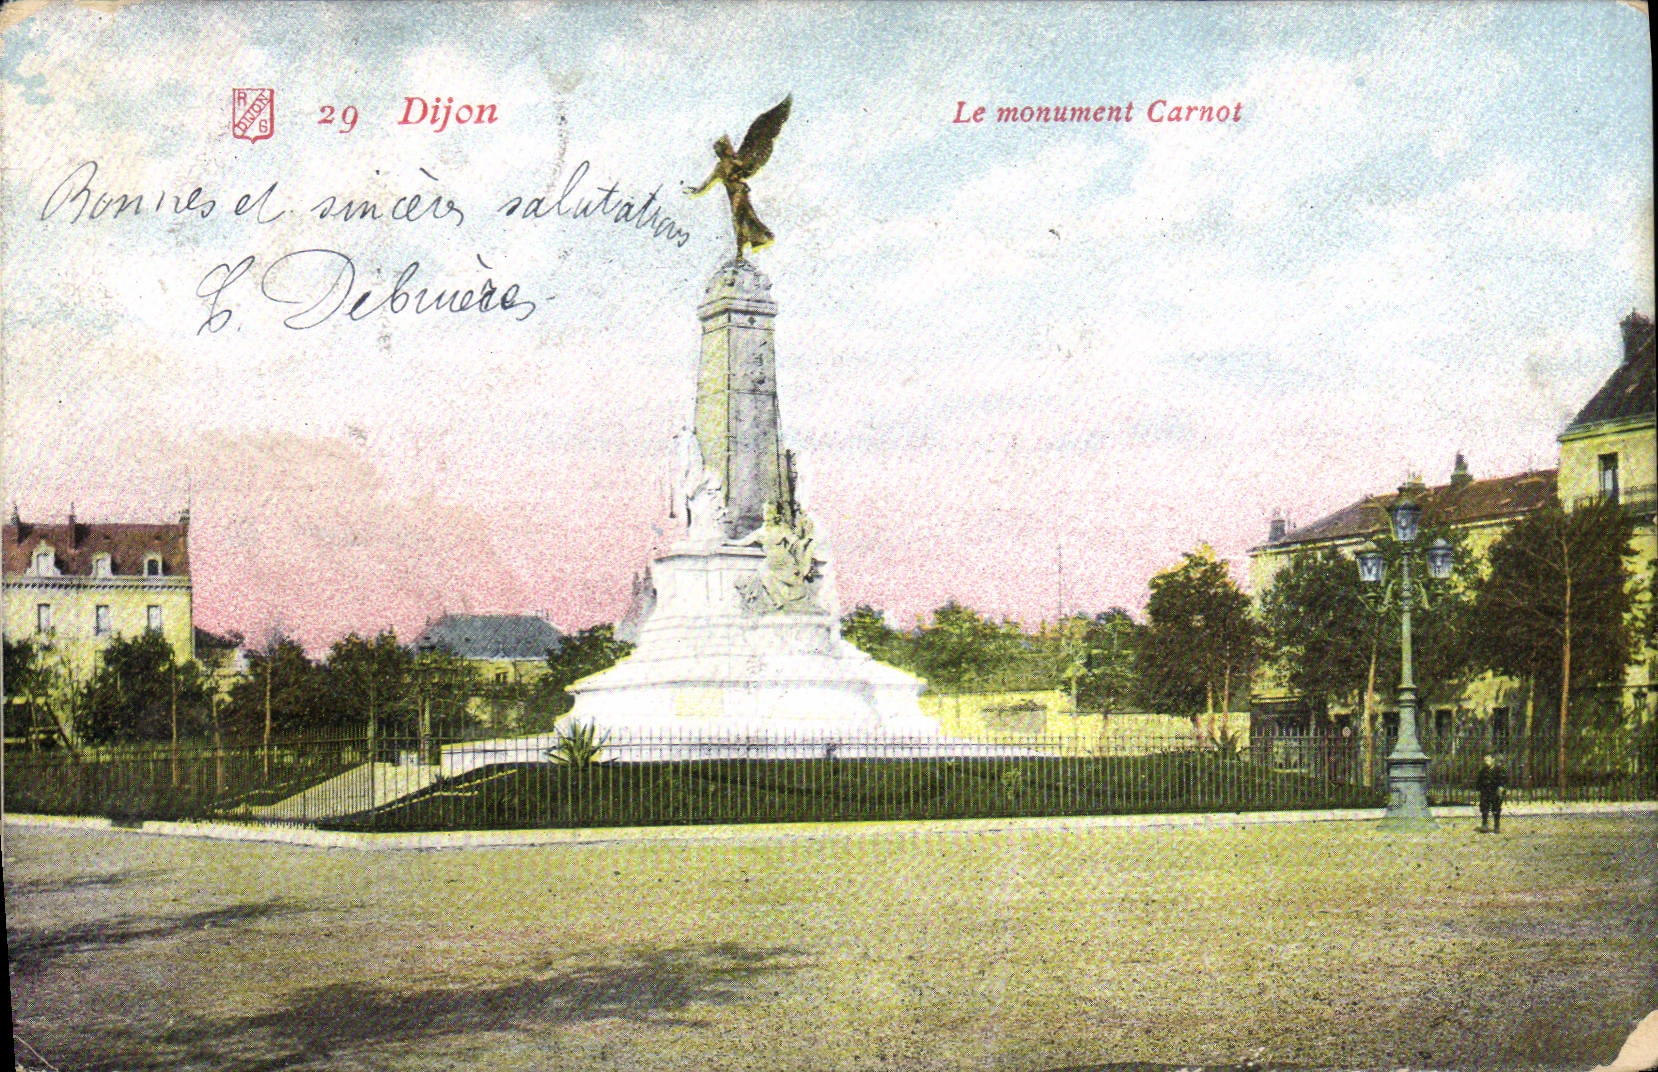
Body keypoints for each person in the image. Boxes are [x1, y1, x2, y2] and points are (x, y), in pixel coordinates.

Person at [1475, 753, 1507, 833]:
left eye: (1488, 760)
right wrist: (1479, 789)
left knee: (1496, 808)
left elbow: (1503, 780)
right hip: (1485, 791)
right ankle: (1485, 824)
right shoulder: (1483, 771)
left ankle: (1496, 825)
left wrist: (1501, 787)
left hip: (1495, 791)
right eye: (1485, 760)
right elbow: (1479, 781)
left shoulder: (1499, 770)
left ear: (1493, 760)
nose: (1486, 762)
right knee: (1484, 808)